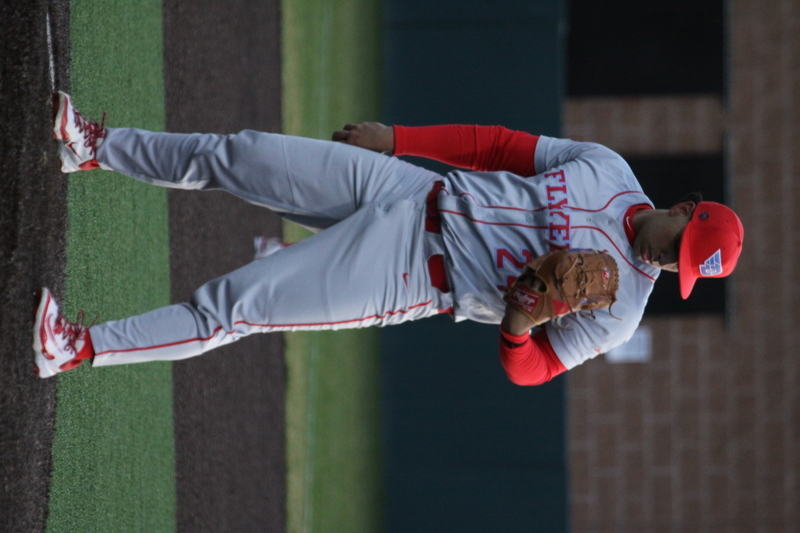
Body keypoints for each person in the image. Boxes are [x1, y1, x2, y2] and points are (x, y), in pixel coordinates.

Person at [34, 91, 744, 384]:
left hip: (412, 273)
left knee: (234, 304)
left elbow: (530, 369)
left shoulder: (619, 312)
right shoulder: (608, 171)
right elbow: (499, 147)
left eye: (678, 269)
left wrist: (521, 321)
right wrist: (399, 140)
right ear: (686, 208)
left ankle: (76, 348)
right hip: (412, 191)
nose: (663, 261)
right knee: (240, 152)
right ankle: (93, 146)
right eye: (678, 244)